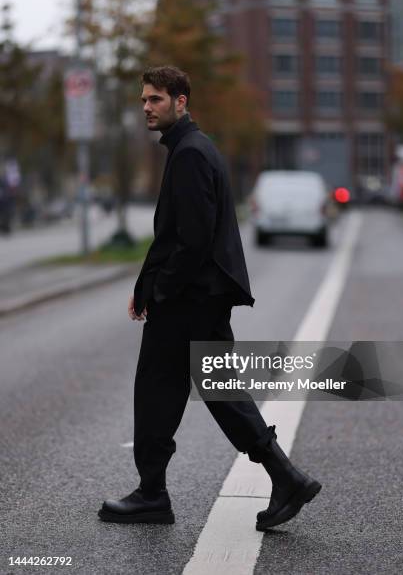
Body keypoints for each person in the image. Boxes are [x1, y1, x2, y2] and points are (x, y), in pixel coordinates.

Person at [98, 66, 321, 530]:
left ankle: (152, 495)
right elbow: (175, 233)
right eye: (143, 100)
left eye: (156, 99)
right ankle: (286, 477)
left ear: (181, 102)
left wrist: (159, 290)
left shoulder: (191, 154)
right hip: (200, 297)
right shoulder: (189, 149)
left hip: (189, 299)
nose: (146, 107)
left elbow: (192, 239)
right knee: (218, 391)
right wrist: (145, 287)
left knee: (157, 389)